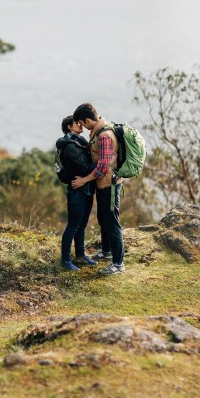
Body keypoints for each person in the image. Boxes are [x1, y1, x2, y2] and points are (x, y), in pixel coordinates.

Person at [71, 103, 125, 276]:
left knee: (112, 222)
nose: (82, 127)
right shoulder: (99, 132)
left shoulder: (104, 136)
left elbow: (102, 168)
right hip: (103, 184)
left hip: (109, 185)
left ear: (87, 120)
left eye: (82, 124)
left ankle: (118, 263)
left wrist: (84, 180)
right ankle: (107, 251)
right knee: (103, 219)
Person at [56, 115, 98, 271]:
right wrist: (101, 163)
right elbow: (84, 168)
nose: (81, 125)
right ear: (69, 127)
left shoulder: (79, 142)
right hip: (76, 191)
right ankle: (65, 260)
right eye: (76, 123)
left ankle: (80, 255)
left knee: (82, 226)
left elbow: (86, 167)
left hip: (86, 189)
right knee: (73, 226)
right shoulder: (70, 146)